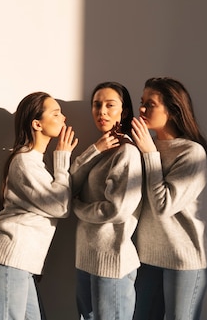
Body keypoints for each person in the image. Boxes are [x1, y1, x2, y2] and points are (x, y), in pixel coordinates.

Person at [0, 91, 79, 320]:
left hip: (18, 265)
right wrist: (62, 158)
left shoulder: (34, 163)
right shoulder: (24, 161)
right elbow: (60, 207)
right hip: (8, 262)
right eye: (56, 113)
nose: (63, 118)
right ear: (37, 124)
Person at [130, 77, 207, 320]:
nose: (142, 109)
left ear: (173, 110)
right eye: (141, 102)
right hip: (146, 256)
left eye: (151, 104)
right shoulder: (143, 146)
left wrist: (150, 154)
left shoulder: (191, 153)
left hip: (184, 260)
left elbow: (162, 205)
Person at [70, 81, 143, 320]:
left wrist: (79, 208)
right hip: (86, 257)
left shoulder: (127, 152)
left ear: (124, 111)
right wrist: (94, 150)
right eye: (96, 105)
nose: (101, 111)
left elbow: (118, 209)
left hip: (112, 261)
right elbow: (69, 186)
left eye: (110, 105)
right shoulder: (101, 150)